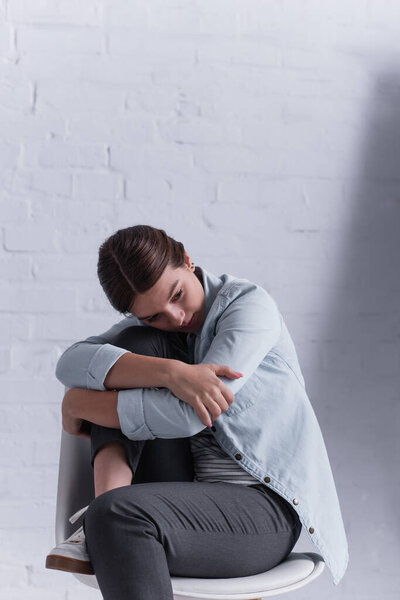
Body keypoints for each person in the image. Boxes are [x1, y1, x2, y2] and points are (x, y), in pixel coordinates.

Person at [45, 225, 348, 598]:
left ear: (188, 261)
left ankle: (99, 518)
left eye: (177, 295)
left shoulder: (249, 307)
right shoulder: (153, 328)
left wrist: (78, 403)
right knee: (134, 345)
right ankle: (99, 516)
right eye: (154, 314)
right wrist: (171, 372)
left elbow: (193, 415)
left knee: (118, 515)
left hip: (261, 509)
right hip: (184, 492)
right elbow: (70, 363)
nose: (174, 317)